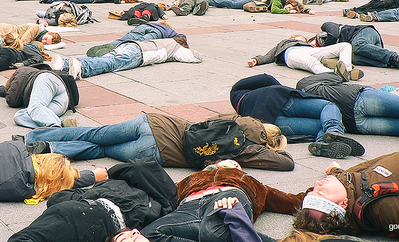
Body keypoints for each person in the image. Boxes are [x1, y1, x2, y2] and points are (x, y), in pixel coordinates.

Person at [23, 112, 295, 171]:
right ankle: (51, 150)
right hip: (155, 151)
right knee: (102, 149)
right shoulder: (248, 150)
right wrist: (274, 149)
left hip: (155, 123)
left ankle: (35, 137)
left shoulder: (237, 119)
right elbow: (287, 164)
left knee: (95, 133)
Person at [9, 159, 176, 242]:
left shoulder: (117, 184)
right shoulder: (162, 203)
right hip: (95, 216)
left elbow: (56, 199)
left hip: (92, 215)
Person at [140, 159, 305, 242]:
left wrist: (327, 182)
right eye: (229, 161)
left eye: (238, 165)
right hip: (188, 207)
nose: (234, 163)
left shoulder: (251, 182)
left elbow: (294, 201)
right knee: (148, 234)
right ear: (217, 163)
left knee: (214, 233)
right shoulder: (191, 178)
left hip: (226, 198)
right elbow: (165, 192)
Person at [292, 149, 399, 241]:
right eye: (322, 192)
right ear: (343, 204)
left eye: (313, 191)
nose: (317, 183)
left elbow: (346, 178)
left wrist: (335, 170)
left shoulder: (348, 185)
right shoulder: (379, 208)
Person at [231, 73, 365, 158]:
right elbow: (266, 78)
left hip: (271, 123)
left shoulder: (244, 112)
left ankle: (324, 142)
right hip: (278, 99)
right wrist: (286, 92)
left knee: (320, 125)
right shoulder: (236, 89)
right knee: (328, 106)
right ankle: (334, 131)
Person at [296, 71, 399, 145]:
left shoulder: (304, 105)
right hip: (357, 98)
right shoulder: (304, 82)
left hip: (355, 125)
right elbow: (337, 76)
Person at [48, 37, 201, 80]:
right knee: (110, 64)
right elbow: (194, 57)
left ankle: (65, 63)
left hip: (129, 45)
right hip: (138, 54)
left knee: (107, 58)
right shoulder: (175, 47)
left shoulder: (164, 40)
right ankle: (82, 67)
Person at [0, 65, 79, 128]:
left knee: (35, 107)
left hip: (46, 80)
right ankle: (61, 125)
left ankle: (58, 129)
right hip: (63, 98)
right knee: (20, 116)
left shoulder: (21, 72)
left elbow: (12, 100)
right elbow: (10, 91)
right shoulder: (24, 80)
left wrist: (0, 90)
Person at [247, 36, 362, 79]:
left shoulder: (308, 44)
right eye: (300, 37)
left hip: (311, 51)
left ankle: (347, 70)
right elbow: (269, 55)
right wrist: (256, 60)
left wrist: (312, 44)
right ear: (292, 37)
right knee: (312, 63)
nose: (303, 39)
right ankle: (334, 75)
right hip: (292, 54)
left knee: (345, 45)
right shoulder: (285, 43)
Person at [318, 21, 399, 69]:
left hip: (364, 33)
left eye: (322, 40)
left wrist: (323, 49)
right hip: (371, 48)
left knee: (358, 45)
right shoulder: (337, 48)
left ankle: (393, 55)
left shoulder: (327, 26)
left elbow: (333, 35)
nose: (322, 42)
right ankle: (389, 62)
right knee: (352, 58)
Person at [86, 21, 186, 57]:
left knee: (124, 39)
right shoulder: (172, 31)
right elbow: (183, 37)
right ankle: (113, 51)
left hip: (144, 26)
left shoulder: (156, 23)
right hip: (158, 33)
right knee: (136, 43)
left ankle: (111, 45)